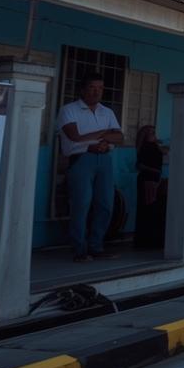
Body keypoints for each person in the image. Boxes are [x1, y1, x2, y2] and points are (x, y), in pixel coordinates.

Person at [58, 74, 124, 262]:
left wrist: (102, 141)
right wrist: (105, 134)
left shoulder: (107, 112)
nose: (97, 91)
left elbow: (120, 137)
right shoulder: (69, 110)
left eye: (100, 88)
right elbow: (74, 136)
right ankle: (79, 249)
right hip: (81, 158)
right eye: (93, 87)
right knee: (81, 204)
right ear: (83, 89)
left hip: (104, 159)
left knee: (105, 204)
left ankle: (96, 246)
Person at [133, 125, 167, 250]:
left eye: (154, 132)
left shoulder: (154, 146)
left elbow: (165, 151)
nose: (154, 135)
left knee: (152, 209)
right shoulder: (145, 147)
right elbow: (140, 165)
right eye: (151, 133)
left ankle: (151, 239)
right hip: (148, 179)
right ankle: (145, 240)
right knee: (147, 208)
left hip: (154, 178)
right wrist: (155, 171)